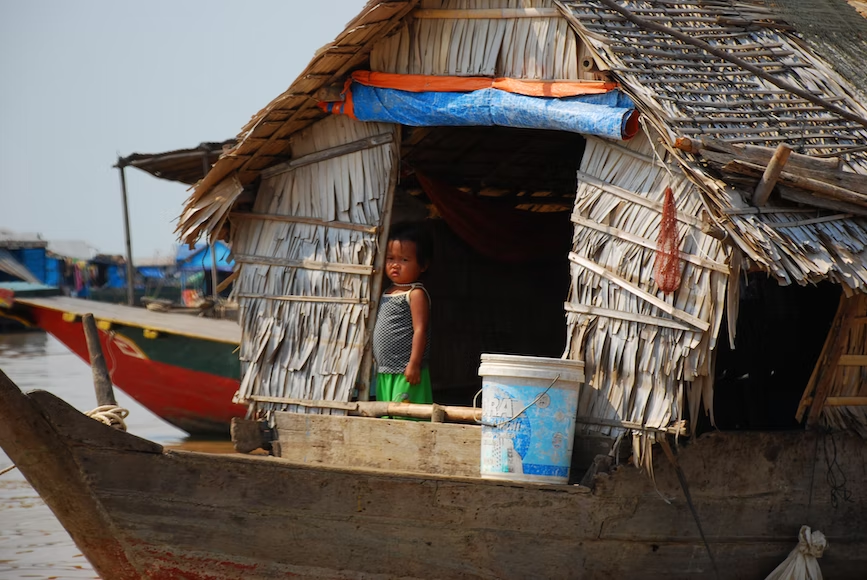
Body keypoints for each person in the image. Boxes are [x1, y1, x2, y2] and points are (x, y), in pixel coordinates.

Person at [372, 222, 433, 407]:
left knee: (406, 415)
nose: (395, 265)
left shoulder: (415, 294)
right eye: (391, 258)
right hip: (385, 370)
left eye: (404, 260)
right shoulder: (385, 291)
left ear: (423, 265)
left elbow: (420, 330)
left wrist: (414, 364)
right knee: (386, 412)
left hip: (405, 371)